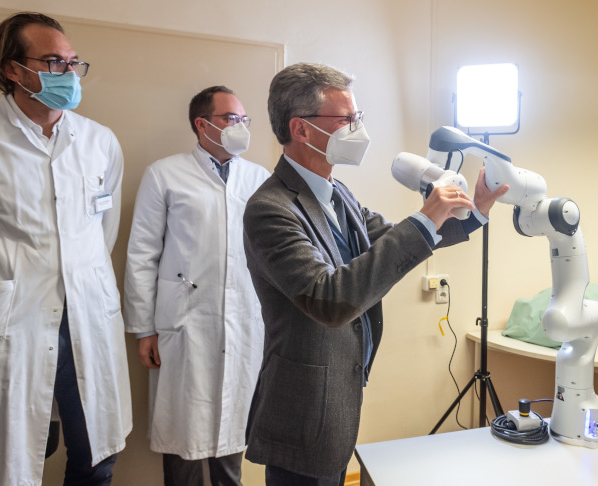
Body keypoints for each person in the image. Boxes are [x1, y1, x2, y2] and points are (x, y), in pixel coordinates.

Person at [242, 62, 509, 485]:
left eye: (358, 116)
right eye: (346, 119)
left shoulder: (337, 193)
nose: (357, 128)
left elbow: (388, 241)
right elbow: (329, 300)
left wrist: (475, 210)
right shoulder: (271, 209)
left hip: (338, 392)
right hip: (304, 404)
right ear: (302, 130)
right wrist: (427, 214)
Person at [0, 12, 131, 485]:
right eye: (53, 62)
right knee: (16, 458)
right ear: (12, 69)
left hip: (87, 315)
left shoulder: (99, 141)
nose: (68, 73)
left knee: (95, 456)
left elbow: (103, 230)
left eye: (72, 63)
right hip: (12, 321)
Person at [123, 86, 270, 486]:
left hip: (244, 321)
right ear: (201, 124)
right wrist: (144, 329)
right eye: (230, 118)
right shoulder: (165, 174)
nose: (240, 126)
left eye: (244, 119)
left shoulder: (260, 178)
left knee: (233, 429)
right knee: (182, 436)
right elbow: (142, 255)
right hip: (184, 322)